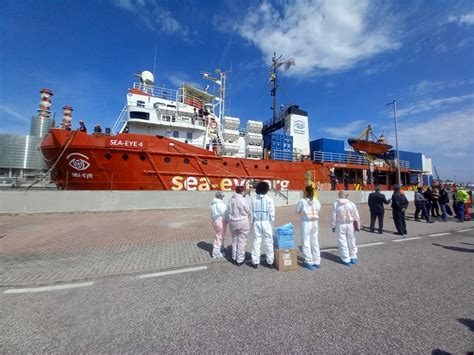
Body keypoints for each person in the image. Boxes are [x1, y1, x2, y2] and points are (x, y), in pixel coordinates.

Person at [331, 191, 360, 266]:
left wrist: (333, 226)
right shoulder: (351, 204)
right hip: (350, 224)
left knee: (342, 241)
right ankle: (353, 257)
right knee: (351, 240)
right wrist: (358, 225)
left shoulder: (336, 204)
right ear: (346, 196)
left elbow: (333, 216)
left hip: (341, 224)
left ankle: (345, 258)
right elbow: (356, 215)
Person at [250, 182, 275, 269]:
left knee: (256, 242)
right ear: (266, 189)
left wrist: (252, 222)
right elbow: (272, 213)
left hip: (257, 222)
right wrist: (272, 223)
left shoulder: (253, 199)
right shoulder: (269, 199)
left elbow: (251, 212)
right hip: (266, 222)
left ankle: (255, 262)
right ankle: (270, 262)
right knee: (268, 242)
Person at [296, 186, 322, 270]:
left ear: (306, 192)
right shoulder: (316, 201)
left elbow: (297, 210)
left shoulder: (302, 201)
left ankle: (309, 261)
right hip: (315, 222)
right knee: (315, 241)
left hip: (306, 222)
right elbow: (319, 209)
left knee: (306, 241)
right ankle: (317, 261)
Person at [227, 185, 251, 266]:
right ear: (242, 191)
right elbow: (248, 210)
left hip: (233, 222)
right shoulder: (244, 200)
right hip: (243, 222)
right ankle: (240, 260)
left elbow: (229, 211)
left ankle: (234, 258)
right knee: (242, 240)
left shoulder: (231, 200)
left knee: (234, 239)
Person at [210, 191, 228, 259]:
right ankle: (216, 253)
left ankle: (220, 249)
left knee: (219, 236)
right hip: (221, 221)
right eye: (223, 196)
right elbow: (225, 213)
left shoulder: (213, 204)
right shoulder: (221, 204)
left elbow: (211, 214)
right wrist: (228, 220)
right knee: (219, 237)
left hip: (215, 221)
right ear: (221, 197)